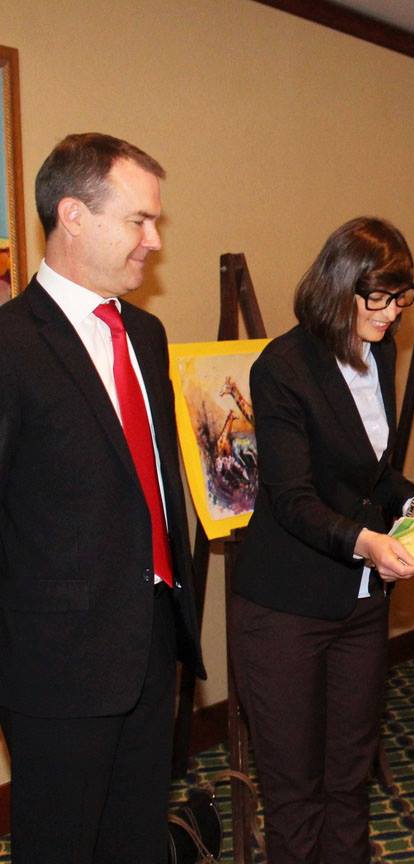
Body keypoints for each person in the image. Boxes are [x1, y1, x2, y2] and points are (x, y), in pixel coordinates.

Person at [0, 133, 204, 862]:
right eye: (139, 220)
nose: (154, 241)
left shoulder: (145, 333)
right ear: (73, 216)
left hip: (151, 641)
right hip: (54, 665)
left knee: (135, 841)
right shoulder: (10, 345)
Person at [229, 216, 414, 864]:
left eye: (400, 297)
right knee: (295, 794)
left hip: (360, 604)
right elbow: (291, 498)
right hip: (285, 608)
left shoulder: (380, 350)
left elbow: (369, 470)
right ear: (337, 285)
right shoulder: (284, 367)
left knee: (350, 782)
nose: (391, 312)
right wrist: (369, 542)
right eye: (377, 297)